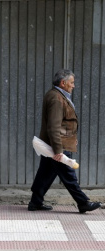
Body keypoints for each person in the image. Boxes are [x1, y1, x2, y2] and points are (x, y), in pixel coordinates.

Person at [28, 69, 101, 213]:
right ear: (63, 83)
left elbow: (64, 124)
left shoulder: (58, 95)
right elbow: (53, 127)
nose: (74, 86)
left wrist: (72, 139)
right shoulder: (56, 98)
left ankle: (35, 202)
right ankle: (83, 202)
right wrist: (59, 151)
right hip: (57, 145)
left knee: (45, 173)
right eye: (72, 82)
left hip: (57, 143)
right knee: (68, 174)